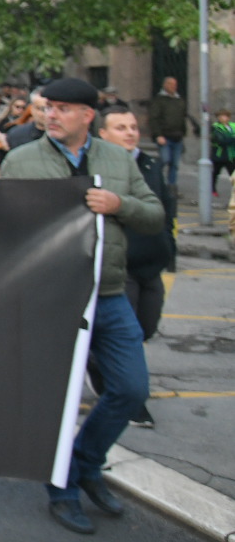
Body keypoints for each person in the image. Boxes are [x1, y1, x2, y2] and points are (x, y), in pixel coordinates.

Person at [0, 79, 163, 534]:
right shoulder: (23, 160)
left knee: (131, 389)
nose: (50, 115)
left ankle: (86, 462)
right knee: (58, 400)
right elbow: (3, 228)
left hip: (110, 293)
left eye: (61, 109)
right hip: (53, 296)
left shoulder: (117, 159)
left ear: (86, 115)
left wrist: (119, 204)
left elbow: (154, 214)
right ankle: (62, 492)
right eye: (47, 108)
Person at [95, 106, 175, 429]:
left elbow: (163, 210)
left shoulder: (150, 163)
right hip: (121, 266)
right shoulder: (102, 166)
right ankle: (129, 399)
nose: (130, 132)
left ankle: (97, 362)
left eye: (132, 127)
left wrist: (170, 250)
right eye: (120, 127)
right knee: (126, 334)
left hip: (151, 264)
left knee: (147, 326)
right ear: (103, 134)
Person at [147, 76, 196, 187]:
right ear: (165, 85)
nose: (173, 86)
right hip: (165, 136)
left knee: (175, 164)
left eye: (174, 84)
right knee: (165, 160)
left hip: (177, 136)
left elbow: (183, 116)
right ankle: (155, 180)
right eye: (170, 84)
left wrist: (184, 132)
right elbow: (154, 118)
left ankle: (171, 186)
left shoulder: (179, 100)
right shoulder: (159, 100)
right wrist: (158, 135)